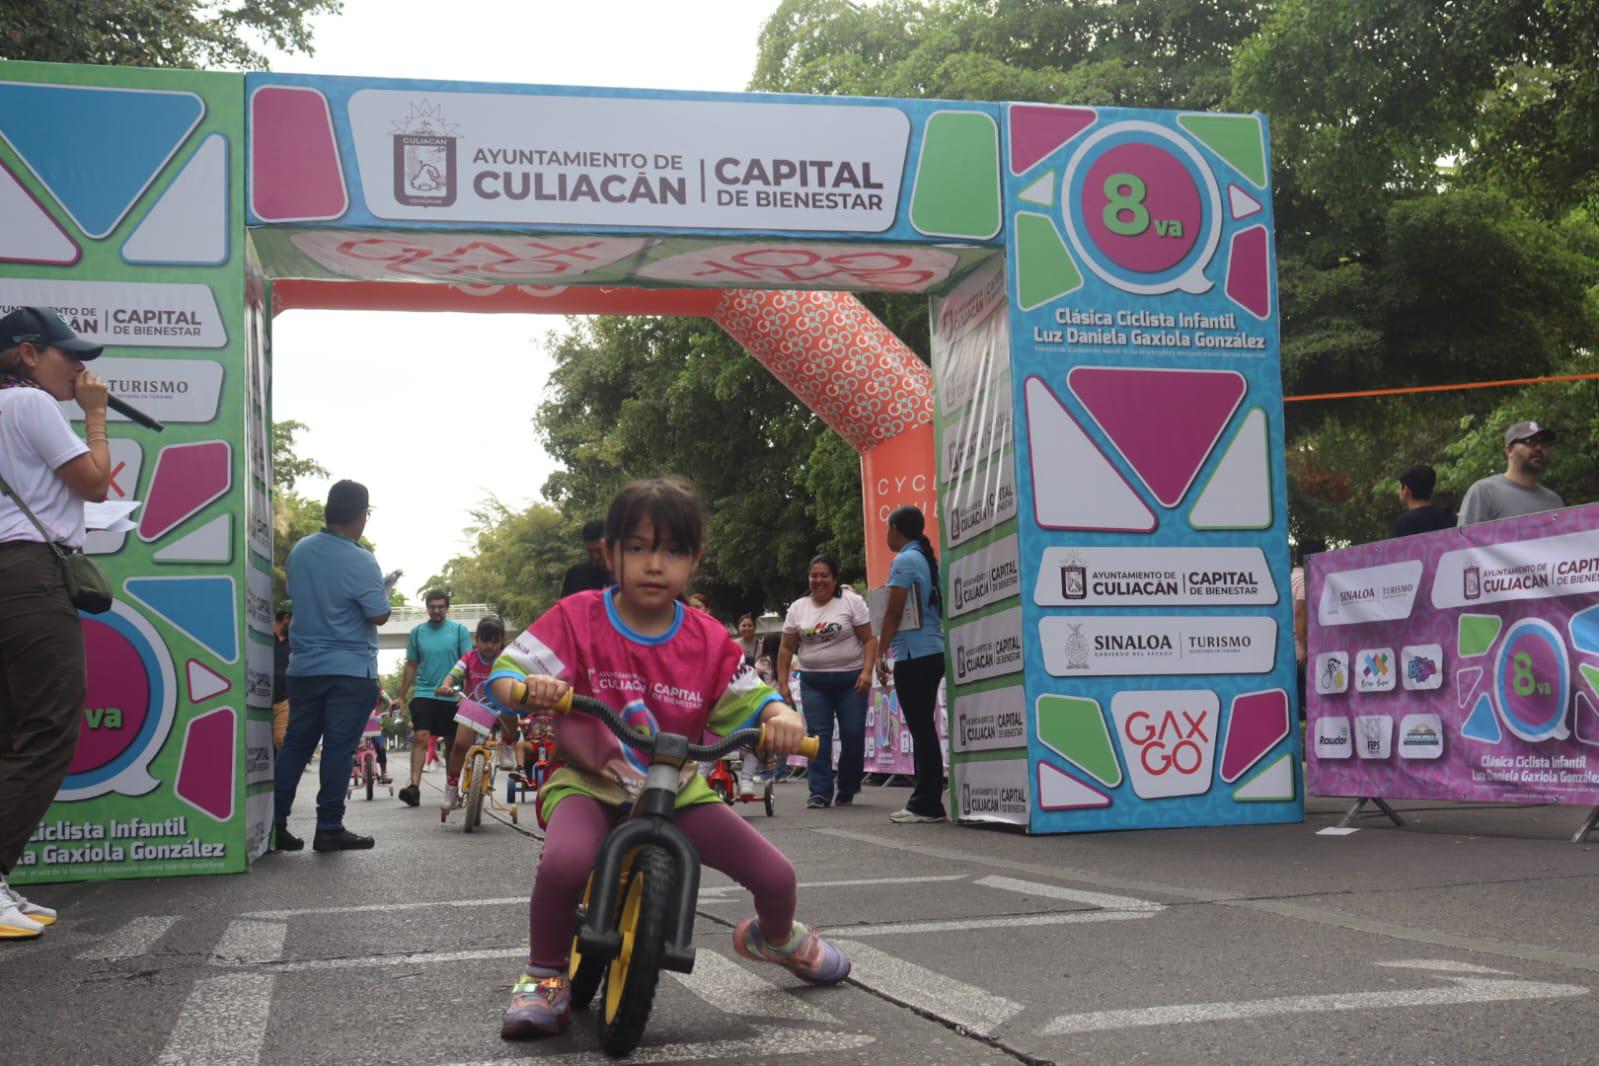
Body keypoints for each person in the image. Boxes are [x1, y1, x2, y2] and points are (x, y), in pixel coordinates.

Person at [486, 477, 849, 1038]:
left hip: (675, 786)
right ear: (610, 554)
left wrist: (781, 721)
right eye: (638, 547)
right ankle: (544, 975)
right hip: (587, 780)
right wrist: (525, 688)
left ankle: (774, 938)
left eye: (672, 550)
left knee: (777, 876)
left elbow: (755, 700)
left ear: (695, 560)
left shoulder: (707, 639)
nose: (654, 564)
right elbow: (507, 672)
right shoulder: (577, 617)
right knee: (564, 862)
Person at [0, 306, 113, 938]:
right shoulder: (32, 406)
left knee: (9, 730)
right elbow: (94, 485)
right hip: (29, 574)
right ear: (27, 353)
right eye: (67, 355)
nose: (80, 366)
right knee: (47, 727)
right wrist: (95, 416)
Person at [273, 479, 392, 852]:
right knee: (339, 747)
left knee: (296, 746)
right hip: (350, 670)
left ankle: (274, 824)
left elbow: (296, 594)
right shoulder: (361, 558)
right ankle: (328, 826)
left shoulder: (301, 551)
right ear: (362, 515)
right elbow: (378, 615)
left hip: (305, 668)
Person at [778, 556, 877, 808]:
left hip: (851, 680)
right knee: (818, 737)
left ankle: (847, 785)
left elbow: (869, 640)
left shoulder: (852, 602)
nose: (818, 580)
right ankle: (819, 792)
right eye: (814, 575)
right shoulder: (798, 608)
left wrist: (867, 672)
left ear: (835, 579)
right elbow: (786, 648)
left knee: (853, 734)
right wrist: (782, 683)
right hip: (814, 682)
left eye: (824, 575)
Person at [874, 505, 946, 825]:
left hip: (914, 656)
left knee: (922, 730)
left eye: (888, 529)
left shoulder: (903, 560)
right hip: (932, 651)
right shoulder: (927, 559)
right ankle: (925, 799)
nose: (886, 535)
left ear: (895, 529)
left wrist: (879, 652)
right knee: (924, 729)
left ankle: (926, 803)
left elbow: (893, 612)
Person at [392, 589, 472, 807]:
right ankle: (414, 788)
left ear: (447, 608)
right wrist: (400, 696)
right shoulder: (417, 632)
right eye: (432, 606)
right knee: (421, 736)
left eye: (441, 606)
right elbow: (410, 666)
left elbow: (468, 663)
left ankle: (451, 788)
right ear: (427, 608)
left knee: (452, 743)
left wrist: (469, 695)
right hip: (425, 693)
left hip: (452, 695)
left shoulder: (459, 631)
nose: (436, 610)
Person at [436, 614, 512, 809]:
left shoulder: (507, 658)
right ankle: (452, 788)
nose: (489, 646)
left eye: (495, 641)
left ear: (502, 641)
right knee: (460, 744)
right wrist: (446, 686)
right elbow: (453, 675)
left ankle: (507, 746)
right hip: (474, 706)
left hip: (498, 706)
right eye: (484, 641)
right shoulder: (469, 657)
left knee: (511, 707)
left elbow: (518, 676)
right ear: (476, 640)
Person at [1458, 421, 1565, 526]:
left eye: (1543, 443)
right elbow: (1465, 541)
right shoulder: (1484, 492)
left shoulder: (1554, 502)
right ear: (1509, 450)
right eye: (1530, 441)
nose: (1539, 448)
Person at [1290, 539, 1325, 718]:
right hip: (1299, 651)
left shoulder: (1289, 578)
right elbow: (1300, 611)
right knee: (1306, 707)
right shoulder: (1303, 580)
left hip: (1289, 650)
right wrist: (1305, 646)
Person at [1390, 465, 1454, 537]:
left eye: (1399, 487)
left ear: (1406, 490)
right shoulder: (1447, 516)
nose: (1397, 491)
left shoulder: (1403, 522)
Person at [558, 518, 611, 597]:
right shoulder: (575, 576)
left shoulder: (624, 576)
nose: (595, 556)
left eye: (599, 550)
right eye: (590, 551)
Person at [271, 601, 294, 749]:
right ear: (286, 617)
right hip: (256, 700)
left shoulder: (295, 642)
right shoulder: (261, 636)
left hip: (283, 701)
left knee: (281, 741)